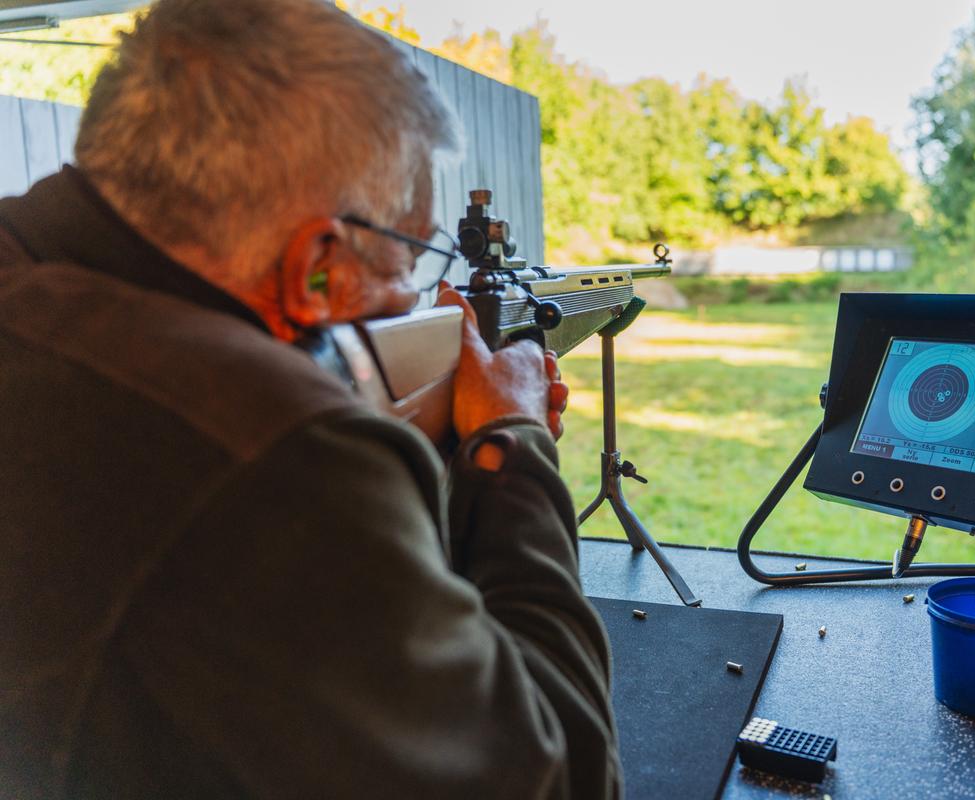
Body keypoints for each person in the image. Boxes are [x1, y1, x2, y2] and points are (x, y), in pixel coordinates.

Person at [0, 1, 619, 797]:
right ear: (316, 264)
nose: (420, 295)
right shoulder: (285, 451)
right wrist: (511, 445)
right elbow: (557, 774)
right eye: (416, 261)